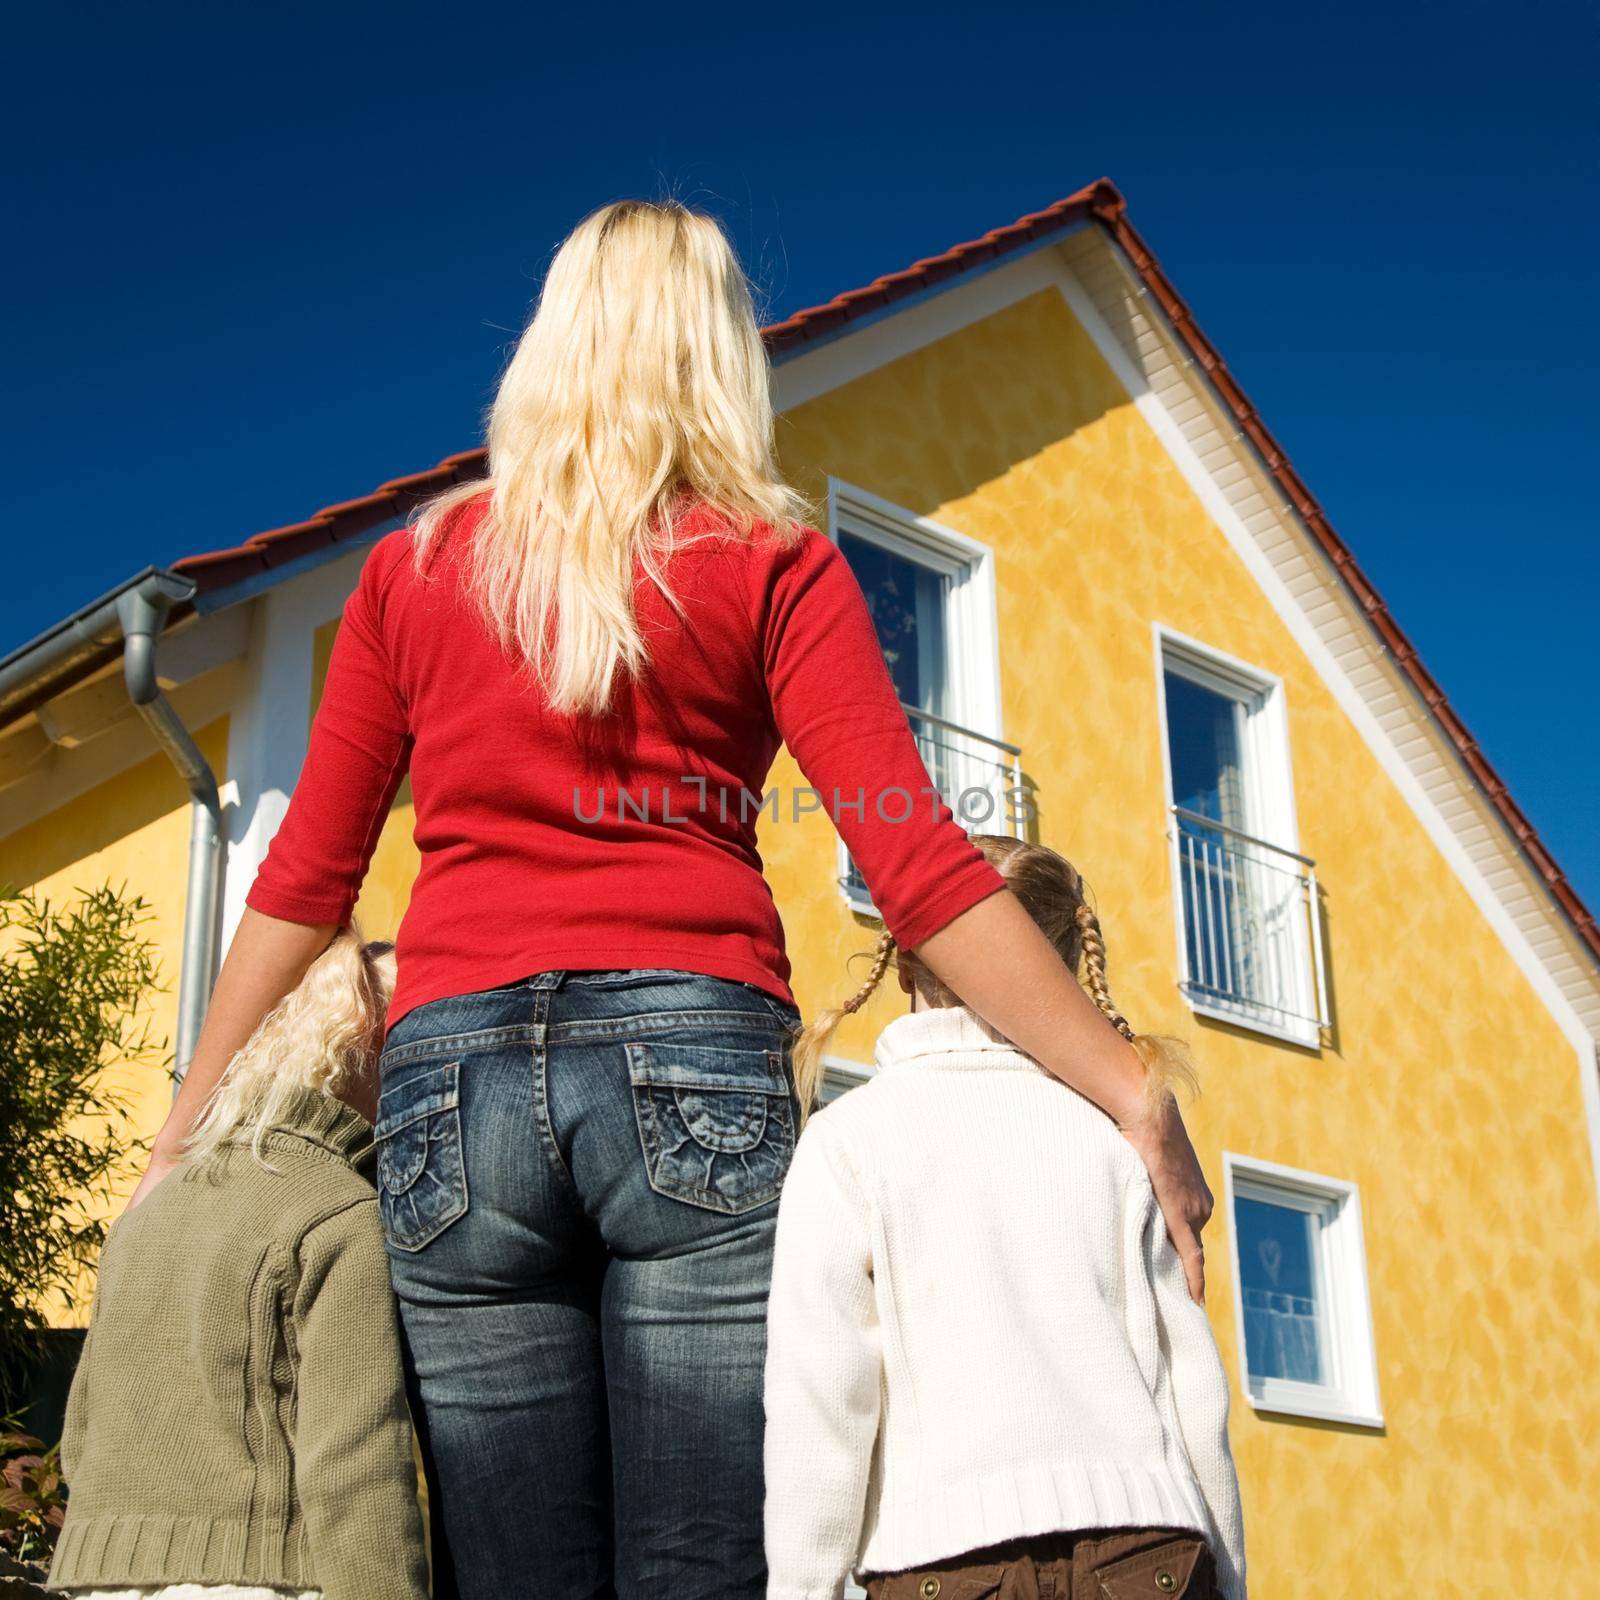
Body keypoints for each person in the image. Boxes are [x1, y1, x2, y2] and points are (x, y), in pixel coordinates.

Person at [125, 199, 1214, 1600]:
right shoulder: (773, 563)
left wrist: (184, 1126)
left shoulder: (415, 570)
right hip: (692, 1058)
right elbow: (916, 865)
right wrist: (1130, 1089)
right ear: (718, 357)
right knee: (702, 1566)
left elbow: (305, 881)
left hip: (452, 1089)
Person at [764, 836, 1246, 1600]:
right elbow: (1194, 1389)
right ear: (1062, 965)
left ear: (907, 963)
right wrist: (1226, 1579)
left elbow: (820, 1401)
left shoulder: (849, 1142)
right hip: (1149, 1552)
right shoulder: (1118, 1139)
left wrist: (804, 1590)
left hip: (948, 1562)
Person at [52, 933, 428, 1600]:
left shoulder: (150, 1213)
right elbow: (355, 1463)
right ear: (380, 1052)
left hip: (91, 1575)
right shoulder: (338, 1214)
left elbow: (80, 1432)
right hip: (259, 1576)